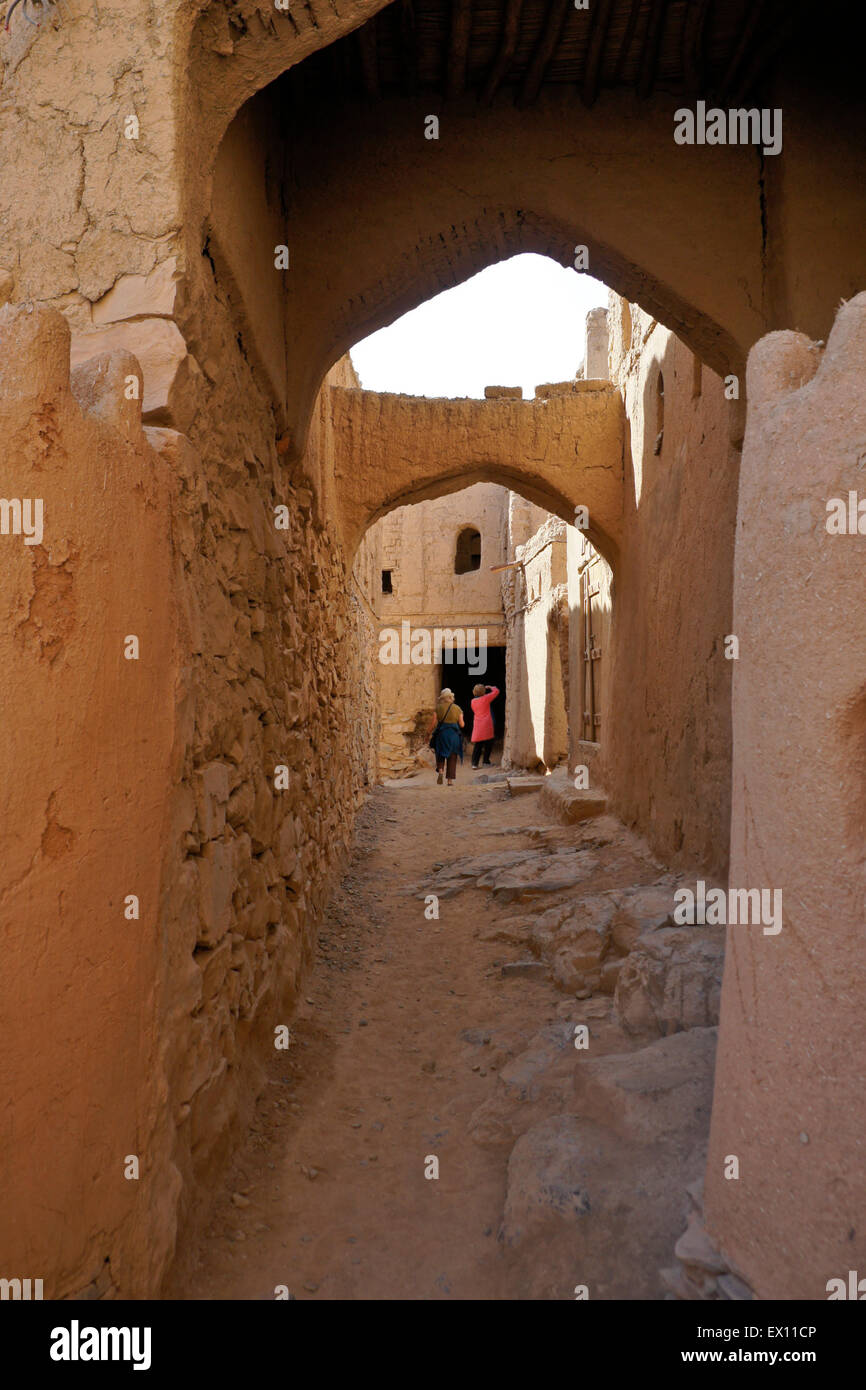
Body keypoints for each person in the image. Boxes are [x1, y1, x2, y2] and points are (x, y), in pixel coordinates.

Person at [426, 687, 464, 786]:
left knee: (440, 753)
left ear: (442, 698)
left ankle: (441, 770)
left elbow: (434, 723)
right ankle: (450, 780)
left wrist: (428, 732)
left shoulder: (438, 708)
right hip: (454, 736)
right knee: (452, 756)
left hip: (442, 735)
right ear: (451, 697)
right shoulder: (457, 708)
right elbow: (462, 724)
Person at [470, 683, 500, 767]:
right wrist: (491, 687)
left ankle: (474, 764)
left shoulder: (472, 701)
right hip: (487, 725)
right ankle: (485, 762)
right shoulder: (486, 698)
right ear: (483, 692)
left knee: (478, 746)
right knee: (488, 744)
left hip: (478, 726)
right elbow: (496, 691)